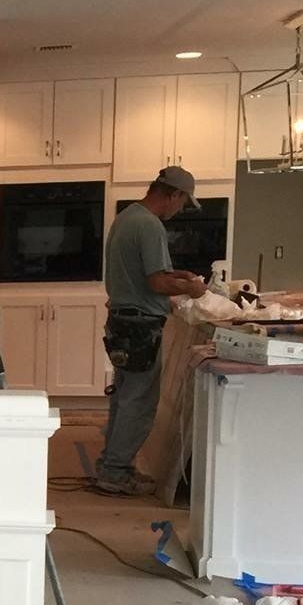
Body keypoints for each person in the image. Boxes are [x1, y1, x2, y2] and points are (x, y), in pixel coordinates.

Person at [94, 165, 207, 495]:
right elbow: (156, 282)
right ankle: (115, 472)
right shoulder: (149, 225)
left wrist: (178, 276)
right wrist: (192, 290)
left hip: (124, 323)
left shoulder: (128, 217)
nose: (180, 209)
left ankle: (111, 466)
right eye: (183, 202)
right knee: (139, 403)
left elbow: (147, 274)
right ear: (173, 194)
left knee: (125, 399)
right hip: (141, 327)